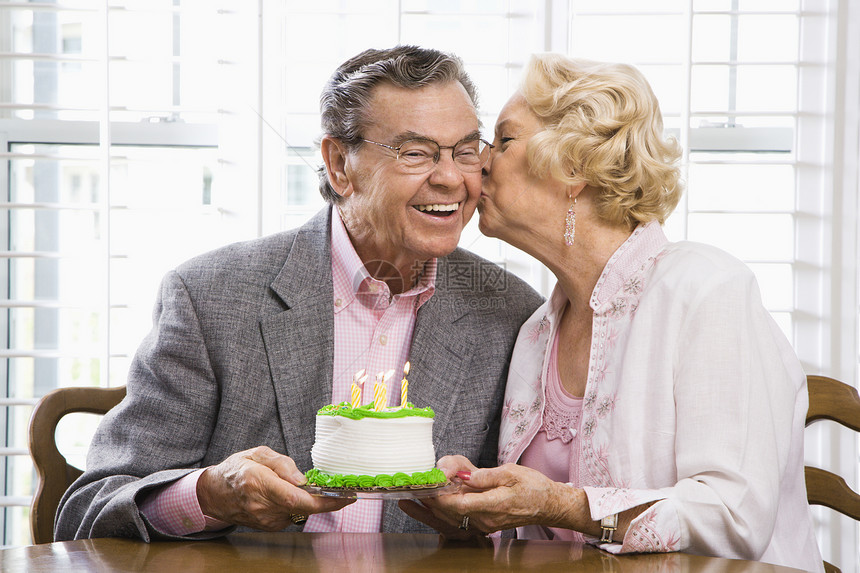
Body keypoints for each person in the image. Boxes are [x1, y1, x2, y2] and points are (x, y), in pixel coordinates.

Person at [55, 45, 543, 541]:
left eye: (464, 151)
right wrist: (209, 495)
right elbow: (88, 511)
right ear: (339, 165)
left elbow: (531, 525)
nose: (450, 179)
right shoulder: (209, 298)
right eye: (416, 153)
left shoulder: (513, 314)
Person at [400, 53, 824, 572]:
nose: (479, 163)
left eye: (505, 140)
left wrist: (561, 503)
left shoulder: (708, 292)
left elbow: (734, 520)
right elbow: (536, 535)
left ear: (573, 166)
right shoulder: (536, 331)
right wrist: (474, 509)